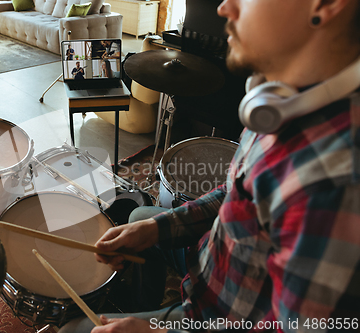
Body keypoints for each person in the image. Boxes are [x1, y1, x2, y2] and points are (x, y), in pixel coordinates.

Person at [59, 0, 360, 332]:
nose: (224, 7)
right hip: (214, 271)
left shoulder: (335, 181)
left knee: (73, 329)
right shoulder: (281, 101)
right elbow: (237, 193)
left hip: (218, 317)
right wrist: (157, 229)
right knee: (140, 218)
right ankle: (143, 304)